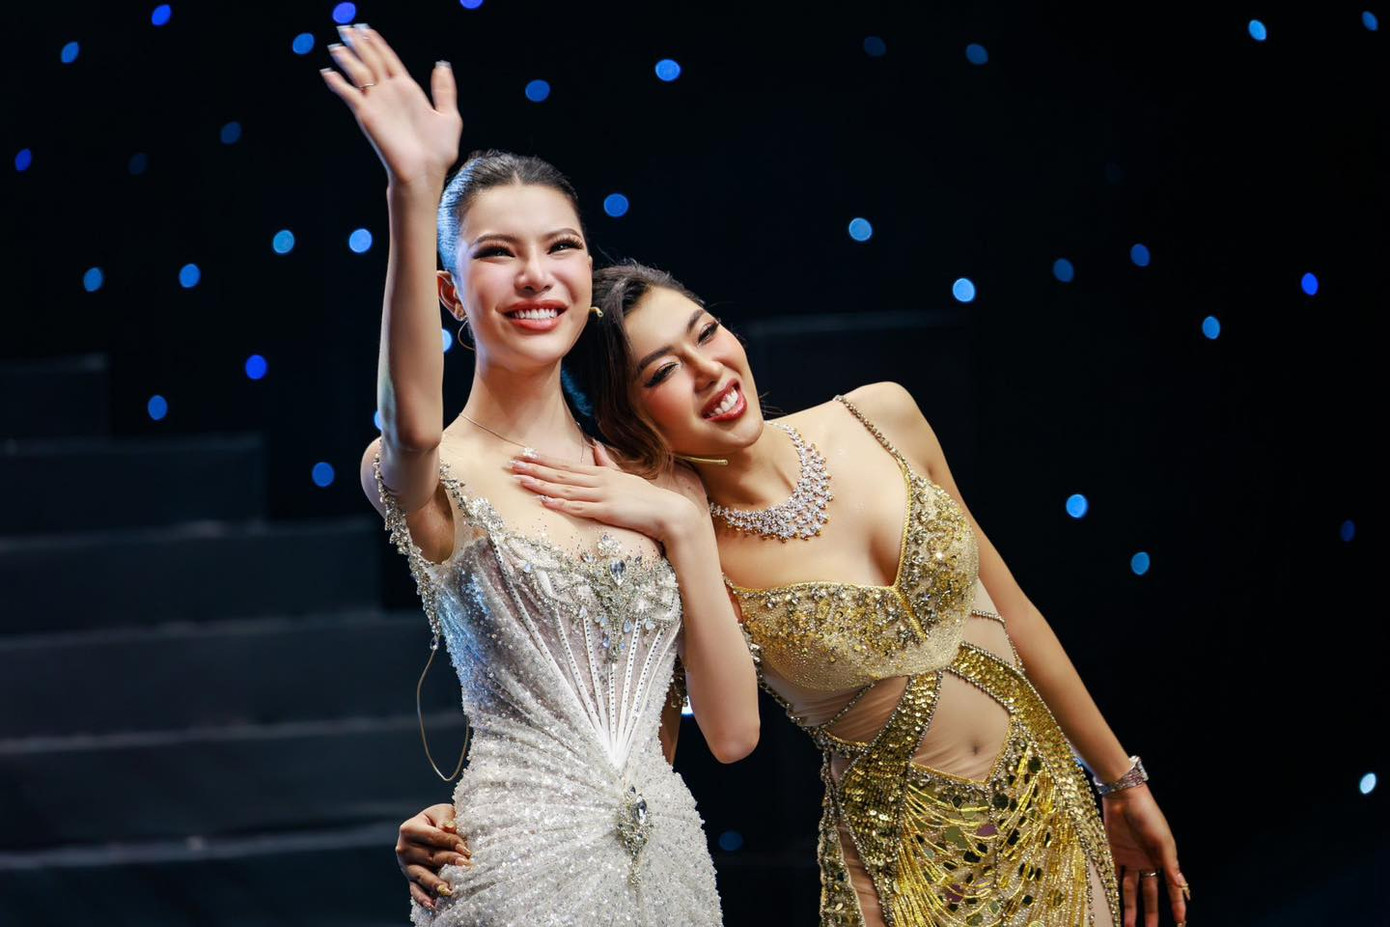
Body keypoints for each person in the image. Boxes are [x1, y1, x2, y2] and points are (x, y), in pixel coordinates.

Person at [395, 263, 1190, 927]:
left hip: (1051, 819)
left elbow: (1015, 611)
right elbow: (632, 747)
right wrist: (486, 819)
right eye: (662, 371)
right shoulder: (679, 550)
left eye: (706, 331)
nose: (709, 369)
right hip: (904, 874)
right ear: (623, 415)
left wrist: (1121, 781)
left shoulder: (882, 415)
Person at [320, 26, 758, 925]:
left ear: (588, 273)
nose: (535, 276)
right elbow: (410, 422)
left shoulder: (658, 476)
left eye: (560, 246)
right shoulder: (437, 469)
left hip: (671, 870)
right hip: (512, 871)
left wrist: (681, 525)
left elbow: (732, 733)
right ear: (450, 293)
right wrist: (412, 190)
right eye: (496, 252)